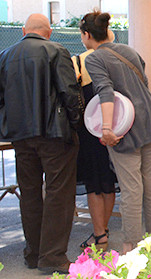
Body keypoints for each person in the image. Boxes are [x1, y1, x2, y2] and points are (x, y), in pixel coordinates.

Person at [81, 11, 151, 253]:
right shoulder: (127, 50)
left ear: (87, 35)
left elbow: (105, 92)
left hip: (126, 127)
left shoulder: (94, 58)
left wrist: (107, 129)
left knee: (131, 190)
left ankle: (132, 248)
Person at [0, 13, 81, 274]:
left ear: (24, 30)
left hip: (20, 137)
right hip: (55, 134)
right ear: (49, 31)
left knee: (30, 194)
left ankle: (33, 253)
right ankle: (53, 257)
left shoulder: (4, 56)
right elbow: (70, 93)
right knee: (59, 193)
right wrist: (75, 122)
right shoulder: (56, 50)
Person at [72, 30, 119, 252]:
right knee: (108, 181)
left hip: (89, 129)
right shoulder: (119, 60)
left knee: (94, 183)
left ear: (86, 35)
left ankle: (100, 233)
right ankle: (103, 230)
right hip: (116, 127)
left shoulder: (79, 62)